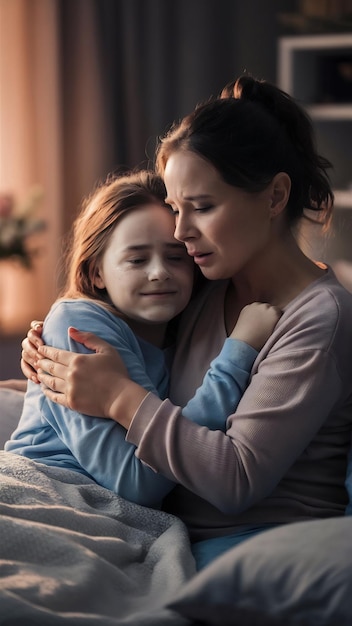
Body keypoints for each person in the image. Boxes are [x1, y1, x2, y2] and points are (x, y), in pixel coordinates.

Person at [19, 75, 352, 570]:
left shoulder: (319, 318)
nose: (180, 232)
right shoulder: (205, 284)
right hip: (160, 534)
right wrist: (49, 373)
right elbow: (147, 367)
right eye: (176, 209)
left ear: (275, 196)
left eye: (202, 207)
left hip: (255, 544)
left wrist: (117, 397)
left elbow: (235, 479)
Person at [5, 168, 280, 512]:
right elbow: (138, 481)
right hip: (48, 492)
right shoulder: (78, 326)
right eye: (136, 259)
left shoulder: (186, 331)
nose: (159, 272)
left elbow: (175, 437)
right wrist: (239, 352)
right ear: (96, 273)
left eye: (175, 257)